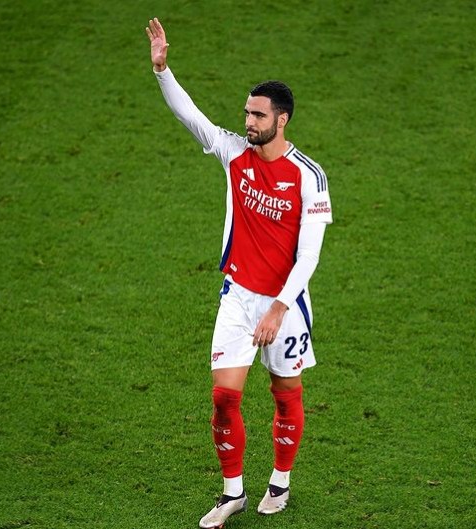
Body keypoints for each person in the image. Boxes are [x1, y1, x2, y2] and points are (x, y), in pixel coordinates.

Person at [146, 18, 333, 529]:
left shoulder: (309, 176)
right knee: (224, 397)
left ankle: (280, 482)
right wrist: (163, 70)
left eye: (257, 115)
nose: (248, 122)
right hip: (237, 295)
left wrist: (278, 308)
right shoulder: (234, 154)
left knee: (285, 393)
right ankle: (233, 493)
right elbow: (193, 118)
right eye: (246, 113)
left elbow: (310, 256)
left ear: (282, 119)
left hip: (285, 304)